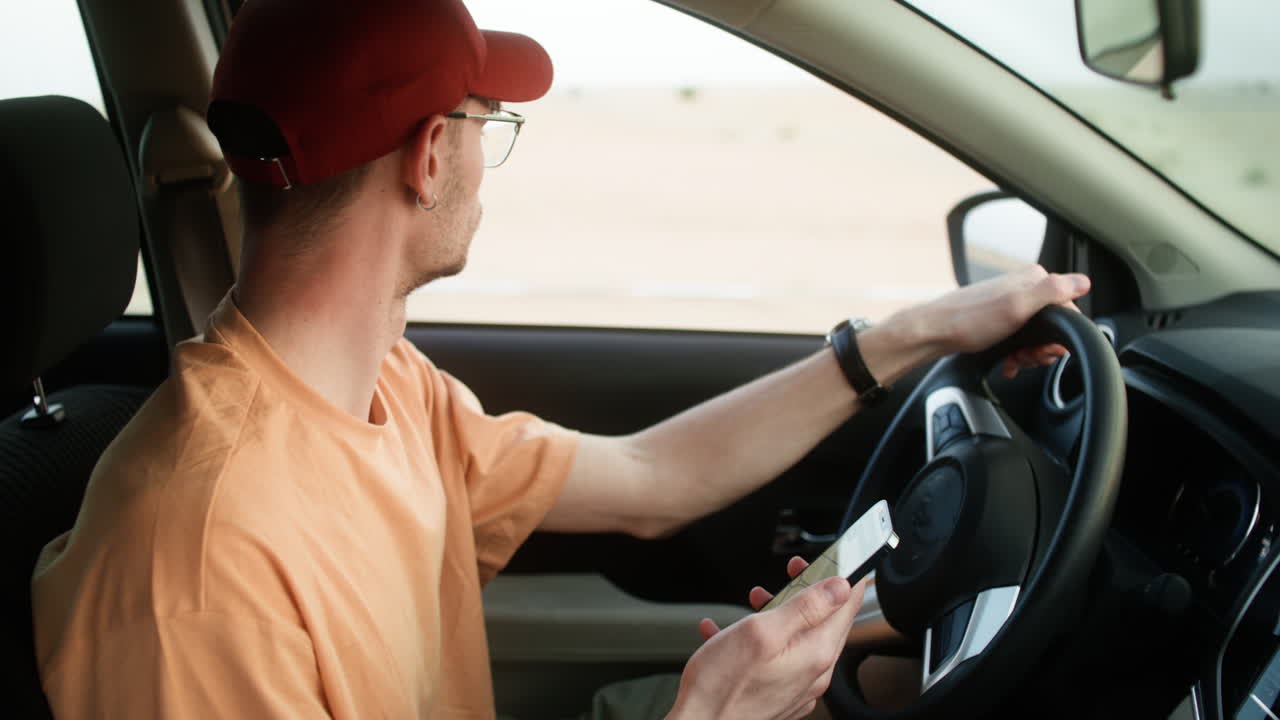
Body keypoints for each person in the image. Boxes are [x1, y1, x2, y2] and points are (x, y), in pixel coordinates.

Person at [30, 0, 1089, 718]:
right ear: (429, 154)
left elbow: (650, 481)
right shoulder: (199, 568)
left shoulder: (384, 390)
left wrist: (909, 336)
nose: (485, 163)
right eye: (486, 121)